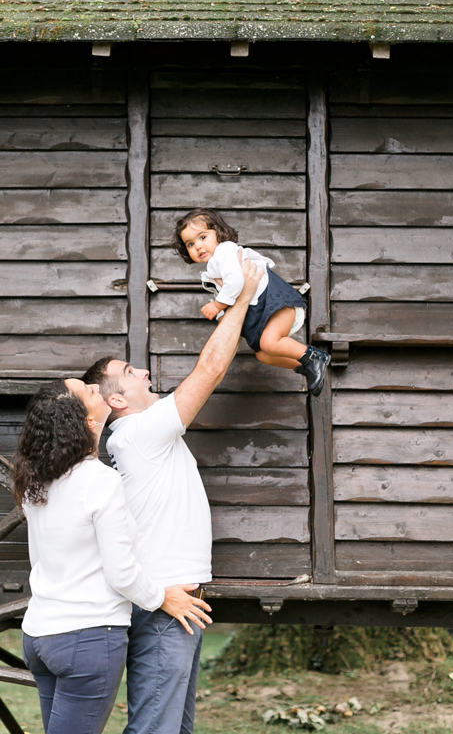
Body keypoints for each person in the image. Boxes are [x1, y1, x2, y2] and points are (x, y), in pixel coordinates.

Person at [81, 254, 262, 734]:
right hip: (167, 602)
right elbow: (210, 368)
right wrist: (242, 296)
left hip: (178, 600)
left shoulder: (139, 436)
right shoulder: (140, 433)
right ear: (117, 400)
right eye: (130, 370)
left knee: (173, 729)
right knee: (155, 730)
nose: (143, 372)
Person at [14, 379, 213, 734]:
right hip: (86, 638)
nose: (95, 387)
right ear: (89, 423)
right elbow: (121, 573)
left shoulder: (35, 481)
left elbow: (39, 561)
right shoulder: (100, 481)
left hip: (39, 636)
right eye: (89, 391)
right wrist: (162, 596)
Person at [174, 206, 330, 396]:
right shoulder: (213, 267)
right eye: (190, 244)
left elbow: (237, 281)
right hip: (263, 308)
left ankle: (314, 357)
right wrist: (225, 315)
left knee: (268, 343)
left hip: (273, 301)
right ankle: (305, 366)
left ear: (219, 234)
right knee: (263, 355)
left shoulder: (223, 252)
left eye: (202, 237)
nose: (197, 246)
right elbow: (232, 292)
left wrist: (217, 306)